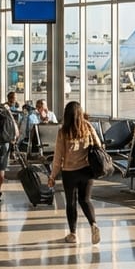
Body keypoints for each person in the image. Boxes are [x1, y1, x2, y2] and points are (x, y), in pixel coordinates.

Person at [47, 101, 101, 245]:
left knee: (71, 203)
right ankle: (93, 224)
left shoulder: (63, 132)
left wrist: (52, 176)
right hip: (87, 170)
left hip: (69, 172)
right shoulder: (88, 127)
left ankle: (73, 234)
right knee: (85, 200)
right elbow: (99, 145)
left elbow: (58, 157)